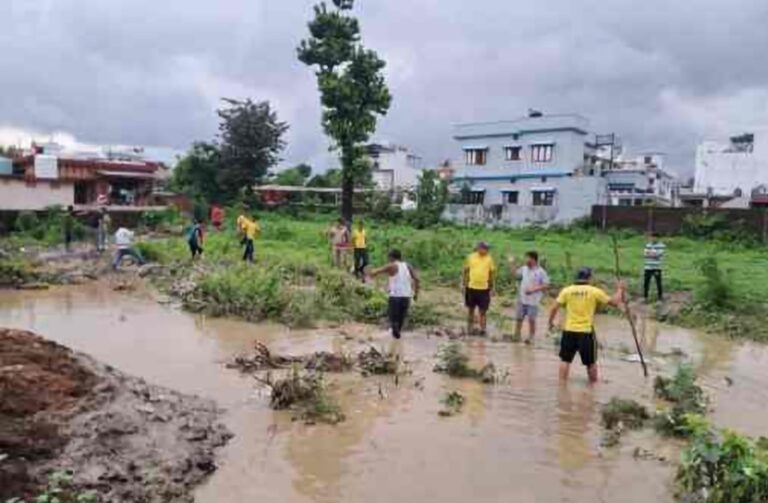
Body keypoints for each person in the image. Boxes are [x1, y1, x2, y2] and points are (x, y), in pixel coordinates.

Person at [548, 268, 625, 384]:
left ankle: (562, 385)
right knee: (590, 362)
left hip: (569, 330)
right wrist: (620, 289)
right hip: (586, 332)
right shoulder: (594, 291)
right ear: (589, 278)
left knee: (565, 360)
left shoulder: (567, 291)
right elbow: (615, 302)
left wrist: (550, 322)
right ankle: (593, 387)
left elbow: (554, 308)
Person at [368, 249, 420, 339]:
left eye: (388, 258)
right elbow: (417, 279)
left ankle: (394, 336)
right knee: (400, 322)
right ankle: (397, 341)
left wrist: (368, 271)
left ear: (391, 257)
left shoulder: (391, 266)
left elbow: (374, 272)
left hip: (395, 297)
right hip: (406, 297)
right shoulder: (408, 266)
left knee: (393, 321)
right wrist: (416, 294)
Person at [508, 250, 550, 343]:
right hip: (522, 299)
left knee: (531, 320)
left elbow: (546, 285)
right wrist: (512, 264)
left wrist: (533, 289)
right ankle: (517, 335)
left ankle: (531, 337)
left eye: (527, 258)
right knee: (519, 318)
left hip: (533, 301)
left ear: (533, 259)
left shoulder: (541, 272)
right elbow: (515, 275)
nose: (526, 260)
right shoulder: (524, 269)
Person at [463, 241, 496, 335]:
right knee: (470, 309)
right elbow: (466, 270)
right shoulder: (471, 257)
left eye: (487, 249)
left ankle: (483, 330)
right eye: (484, 248)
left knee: (483, 311)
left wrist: (493, 287)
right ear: (479, 248)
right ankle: (469, 329)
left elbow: (491, 274)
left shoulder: (489, 259)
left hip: (484, 289)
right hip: (471, 287)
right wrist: (463, 284)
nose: (486, 250)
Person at [643, 232, 665, 302]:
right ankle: (645, 297)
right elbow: (645, 254)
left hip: (657, 267)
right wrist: (653, 254)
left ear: (658, 238)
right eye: (652, 237)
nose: (653, 239)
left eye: (654, 237)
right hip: (648, 267)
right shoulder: (647, 245)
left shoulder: (661, 246)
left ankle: (660, 297)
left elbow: (658, 254)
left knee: (658, 282)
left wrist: (651, 254)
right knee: (646, 282)